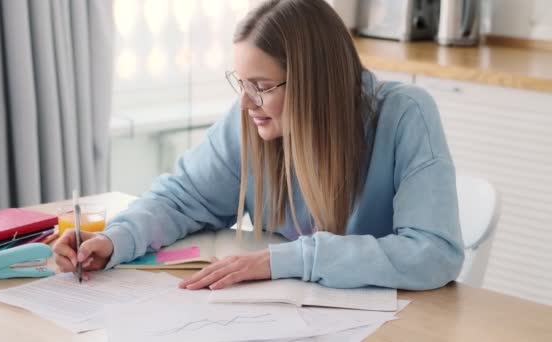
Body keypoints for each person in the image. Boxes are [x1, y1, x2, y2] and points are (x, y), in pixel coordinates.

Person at [54, 0, 464, 291]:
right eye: (242, 84)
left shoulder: (405, 114)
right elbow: (180, 199)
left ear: (314, 85)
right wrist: (115, 240)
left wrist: (285, 261)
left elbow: (433, 252)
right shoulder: (251, 122)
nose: (247, 103)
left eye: (263, 87)